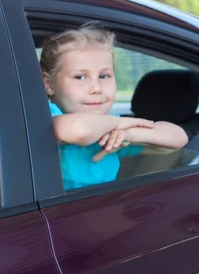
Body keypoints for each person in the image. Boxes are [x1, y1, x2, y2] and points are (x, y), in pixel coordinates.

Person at [40, 23, 188, 190]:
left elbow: (178, 137)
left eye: (104, 75)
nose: (96, 88)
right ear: (49, 84)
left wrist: (128, 135)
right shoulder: (44, 116)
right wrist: (118, 124)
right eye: (80, 77)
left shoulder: (109, 127)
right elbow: (80, 131)